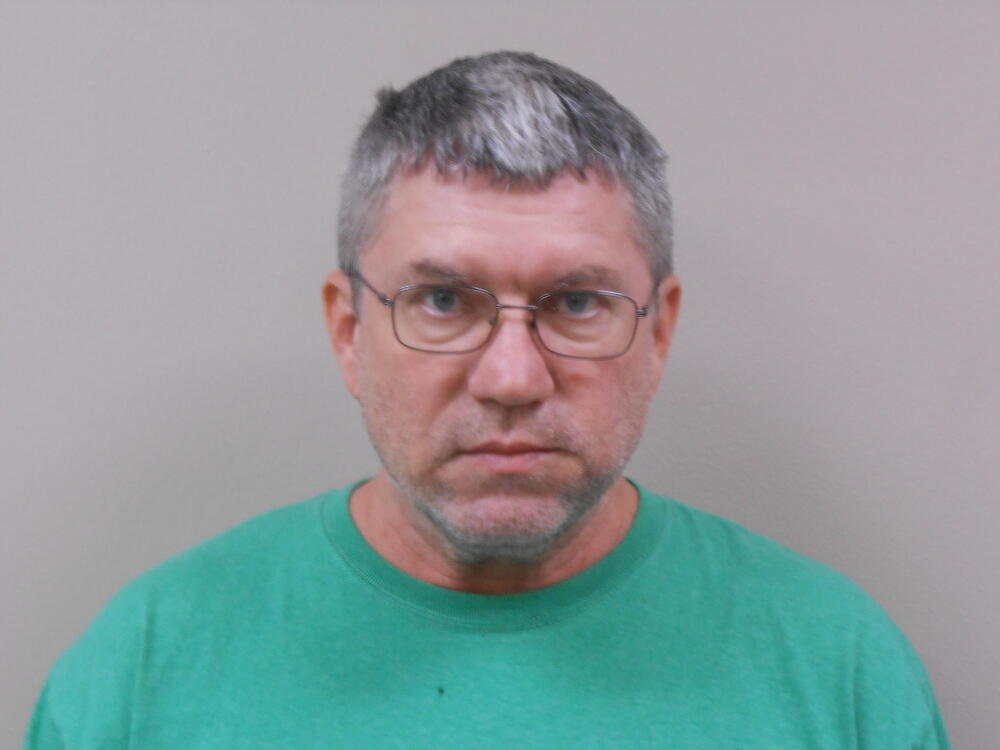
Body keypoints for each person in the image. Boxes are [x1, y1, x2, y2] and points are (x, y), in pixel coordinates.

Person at [26, 51, 950, 749]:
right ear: (349, 331)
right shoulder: (145, 672)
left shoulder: (838, 672)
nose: (512, 378)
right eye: (441, 301)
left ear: (659, 331)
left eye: (577, 303)